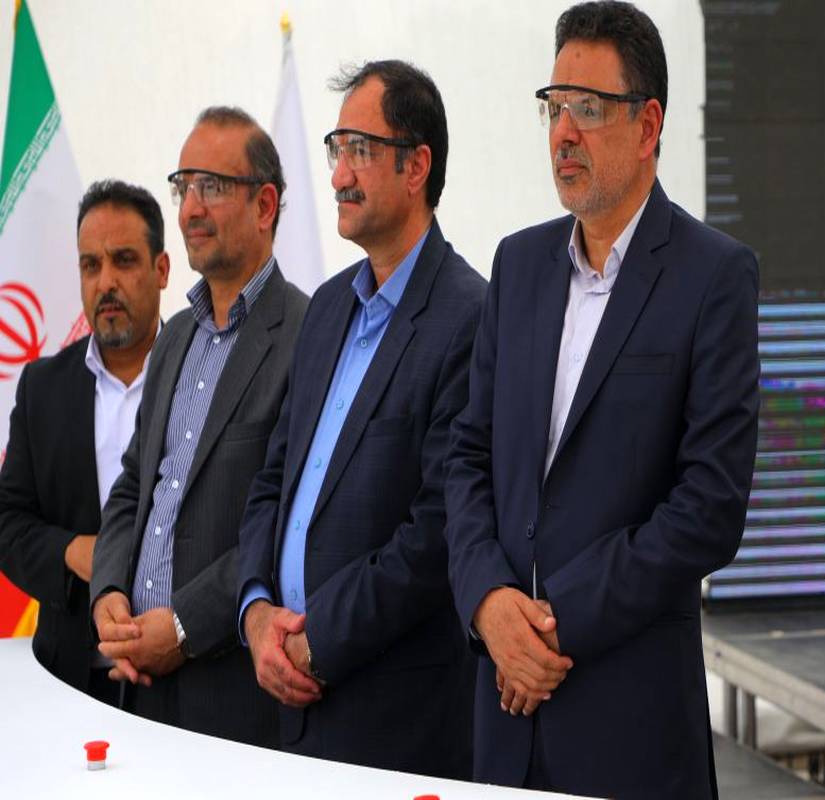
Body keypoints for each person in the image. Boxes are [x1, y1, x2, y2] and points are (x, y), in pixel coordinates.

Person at [443, 2, 760, 796]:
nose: (562, 133)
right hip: (502, 717)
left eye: (587, 108)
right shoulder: (517, 267)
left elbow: (709, 506)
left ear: (648, 125)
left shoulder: (713, 276)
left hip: (629, 724)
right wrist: (489, 603)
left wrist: (552, 622)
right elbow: (468, 457)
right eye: (553, 107)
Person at [236, 60, 482, 775]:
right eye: (335, 149)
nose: (339, 174)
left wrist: (318, 641)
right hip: (285, 702)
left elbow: (438, 530)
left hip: (390, 722)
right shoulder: (326, 309)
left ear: (417, 166)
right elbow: (273, 480)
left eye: (360, 150)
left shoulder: (470, 316)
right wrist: (256, 612)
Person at [90, 107, 308, 746]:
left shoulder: (307, 333)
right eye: (183, 186)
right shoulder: (175, 335)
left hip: (229, 694)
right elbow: (134, 485)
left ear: (264, 205)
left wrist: (184, 627)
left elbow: (286, 521)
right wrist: (109, 591)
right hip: (136, 684)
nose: (189, 209)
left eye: (210, 186)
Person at [0, 180, 168, 705]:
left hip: (181, 682)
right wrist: (75, 552)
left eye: (124, 261)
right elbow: (8, 523)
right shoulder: (42, 388)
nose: (106, 282)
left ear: (162, 270)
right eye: (90, 266)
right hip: (69, 683)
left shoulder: (200, 376)